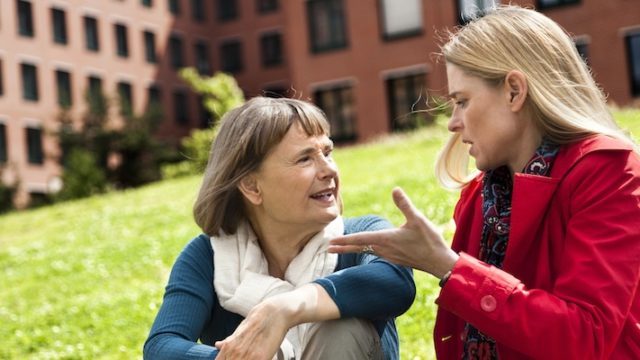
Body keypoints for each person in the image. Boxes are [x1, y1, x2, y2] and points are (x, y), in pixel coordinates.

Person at [329, 5, 640, 359]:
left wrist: (447, 266)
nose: (452, 122)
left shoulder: (608, 169)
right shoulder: (481, 194)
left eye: (462, 101)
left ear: (513, 91)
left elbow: (584, 336)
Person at [143, 97, 415, 360]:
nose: (328, 170)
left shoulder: (361, 235)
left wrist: (285, 308)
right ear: (251, 186)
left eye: (327, 153)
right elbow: (161, 348)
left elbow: (396, 282)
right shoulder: (209, 256)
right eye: (305, 159)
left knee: (338, 326)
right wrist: (251, 355)